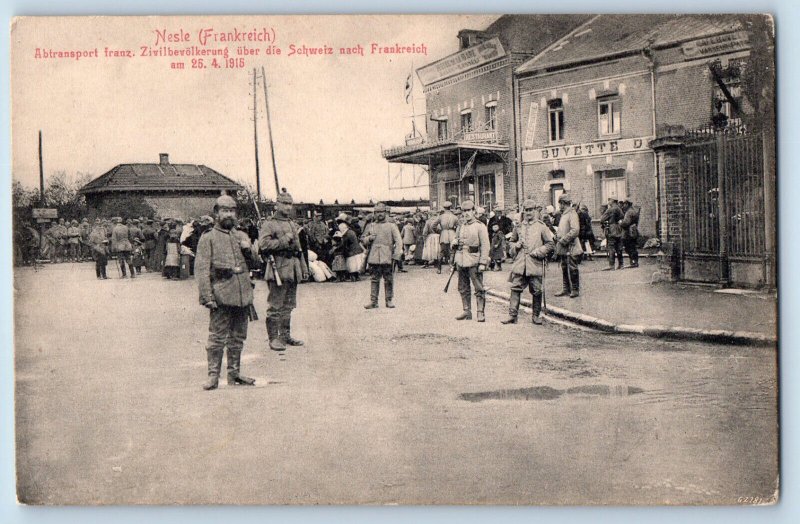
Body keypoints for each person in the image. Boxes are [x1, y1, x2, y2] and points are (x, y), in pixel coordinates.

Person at [195, 195, 256, 390]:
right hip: (221, 294)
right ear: (216, 213)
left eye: (232, 211)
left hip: (242, 293)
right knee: (217, 337)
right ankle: (213, 376)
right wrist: (207, 297)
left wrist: (249, 250)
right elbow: (202, 270)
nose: (229, 214)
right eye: (225, 211)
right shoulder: (208, 238)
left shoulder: (241, 236)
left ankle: (234, 373)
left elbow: (256, 264)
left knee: (238, 336)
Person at [258, 191, 308, 351]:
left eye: (289, 204)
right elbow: (263, 245)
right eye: (284, 203)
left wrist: (303, 267)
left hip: (293, 268)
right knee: (275, 306)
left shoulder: (292, 224)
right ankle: (273, 338)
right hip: (277, 268)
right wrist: (283, 240)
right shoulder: (269, 224)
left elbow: (299, 248)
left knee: (289, 305)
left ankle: (285, 336)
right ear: (276, 205)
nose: (288, 207)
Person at [501, 200, 555, 325]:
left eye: (531, 210)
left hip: (534, 264)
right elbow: (511, 243)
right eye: (526, 210)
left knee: (536, 290)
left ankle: (536, 316)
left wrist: (538, 252)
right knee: (515, 288)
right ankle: (512, 315)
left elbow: (550, 244)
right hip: (520, 264)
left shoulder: (542, 227)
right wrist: (516, 245)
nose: (529, 212)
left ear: (535, 211)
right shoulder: (518, 227)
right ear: (523, 211)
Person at [451, 200, 491, 322]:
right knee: (463, 287)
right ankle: (466, 311)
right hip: (461, 260)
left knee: (478, 287)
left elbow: (485, 246)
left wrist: (483, 263)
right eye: (464, 211)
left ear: (474, 211)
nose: (466, 213)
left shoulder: (480, 226)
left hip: (474, 261)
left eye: (469, 210)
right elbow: (457, 242)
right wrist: (454, 243)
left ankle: (480, 312)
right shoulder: (461, 226)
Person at [361, 202, 403, 309]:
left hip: (387, 257)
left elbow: (398, 241)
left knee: (388, 279)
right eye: (377, 212)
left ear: (385, 213)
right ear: (374, 213)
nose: (379, 214)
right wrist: (369, 239)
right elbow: (363, 240)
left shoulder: (392, 226)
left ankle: (389, 300)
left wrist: (397, 254)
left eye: (381, 212)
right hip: (374, 256)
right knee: (374, 279)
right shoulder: (371, 226)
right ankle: (373, 301)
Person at [553, 193, 583, 298]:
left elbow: (575, 230)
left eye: (560, 203)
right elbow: (562, 229)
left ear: (563, 203)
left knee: (572, 268)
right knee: (564, 267)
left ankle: (575, 289)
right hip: (564, 247)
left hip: (571, 246)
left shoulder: (572, 214)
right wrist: (557, 236)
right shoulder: (564, 214)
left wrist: (563, 240)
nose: (559, 206)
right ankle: (566, 289)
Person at [336, 213, 364, 281]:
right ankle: (356, 276)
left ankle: (352, 277)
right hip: (358, 250)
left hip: (352, 252)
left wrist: (337, 248)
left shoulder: (347, 234)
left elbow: (344, 244)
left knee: (352, 265)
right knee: (356, 265)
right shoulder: (351, 231)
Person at [600, 198, 625, 270]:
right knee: (619, 248)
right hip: (618, 229)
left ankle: (612, 265)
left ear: (613, 201)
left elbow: (602, 219)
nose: (608, 202)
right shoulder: (619, 209)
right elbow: (622, 217)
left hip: (612, 229)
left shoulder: (610, 209)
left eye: (609, 200)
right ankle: (621, 264)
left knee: (611, 247)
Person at [436, 201, 458, 274]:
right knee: (452, 252)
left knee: (442, 252)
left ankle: (439, 269)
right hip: (452, 234)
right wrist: (455, 231)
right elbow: (459, 226)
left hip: (443, 234)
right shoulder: (454, 217)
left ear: (444, 208)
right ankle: (451, 269)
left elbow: (433, 225)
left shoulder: (440, 217)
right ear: (450, 207)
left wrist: (439, 231)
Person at [619, 197, 641, 268]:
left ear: (627, 204)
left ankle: (633, 262)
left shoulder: (629, 212)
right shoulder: (633, 211)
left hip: (628, 233)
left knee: (629, 247)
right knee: (633, 247)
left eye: (624, 204)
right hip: (633, 232)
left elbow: (626, 223)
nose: (623, 206)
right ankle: (635, 262)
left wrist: (620, 223)